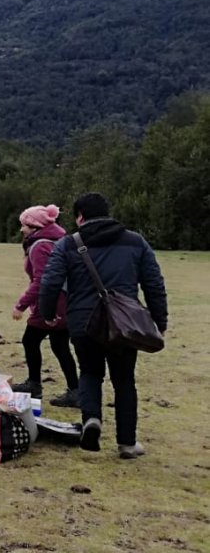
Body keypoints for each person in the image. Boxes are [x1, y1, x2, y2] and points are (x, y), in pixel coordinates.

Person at [38, 192, 167, 459]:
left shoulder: (68, 244)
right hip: (124, 323)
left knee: (89, 373)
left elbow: (50, 282)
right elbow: (154, 284)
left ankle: (91, 419)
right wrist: (159, 321)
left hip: (82, 321)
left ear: (80, 217)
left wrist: (47, 313)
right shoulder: (135, 241)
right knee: (124, 380)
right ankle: (127, 443)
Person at [9, 204, 79, 407]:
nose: (22, 230)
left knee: (30, 340)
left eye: (24, 225)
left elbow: (41, 281)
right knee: (60, 346)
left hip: (50, 303)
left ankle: (34, 385)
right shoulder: (59, 241)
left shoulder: (40, 246)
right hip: (65, 302)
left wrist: (21, 305)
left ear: (34, 226)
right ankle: (75, 391)